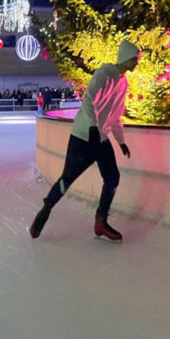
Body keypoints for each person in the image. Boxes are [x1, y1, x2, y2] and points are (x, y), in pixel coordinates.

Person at [29, 39, 140, 242]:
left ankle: (101, 221)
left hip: (101, 138)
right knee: (67, 179)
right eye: (135, 58)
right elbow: (89, 101)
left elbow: (116, 115)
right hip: (83, 136)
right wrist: (92, 126)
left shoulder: (123, 83)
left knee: (112, 177)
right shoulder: (104, 73)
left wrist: (121, 141)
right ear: (125, 57)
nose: (137, 62)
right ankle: (46, 209)